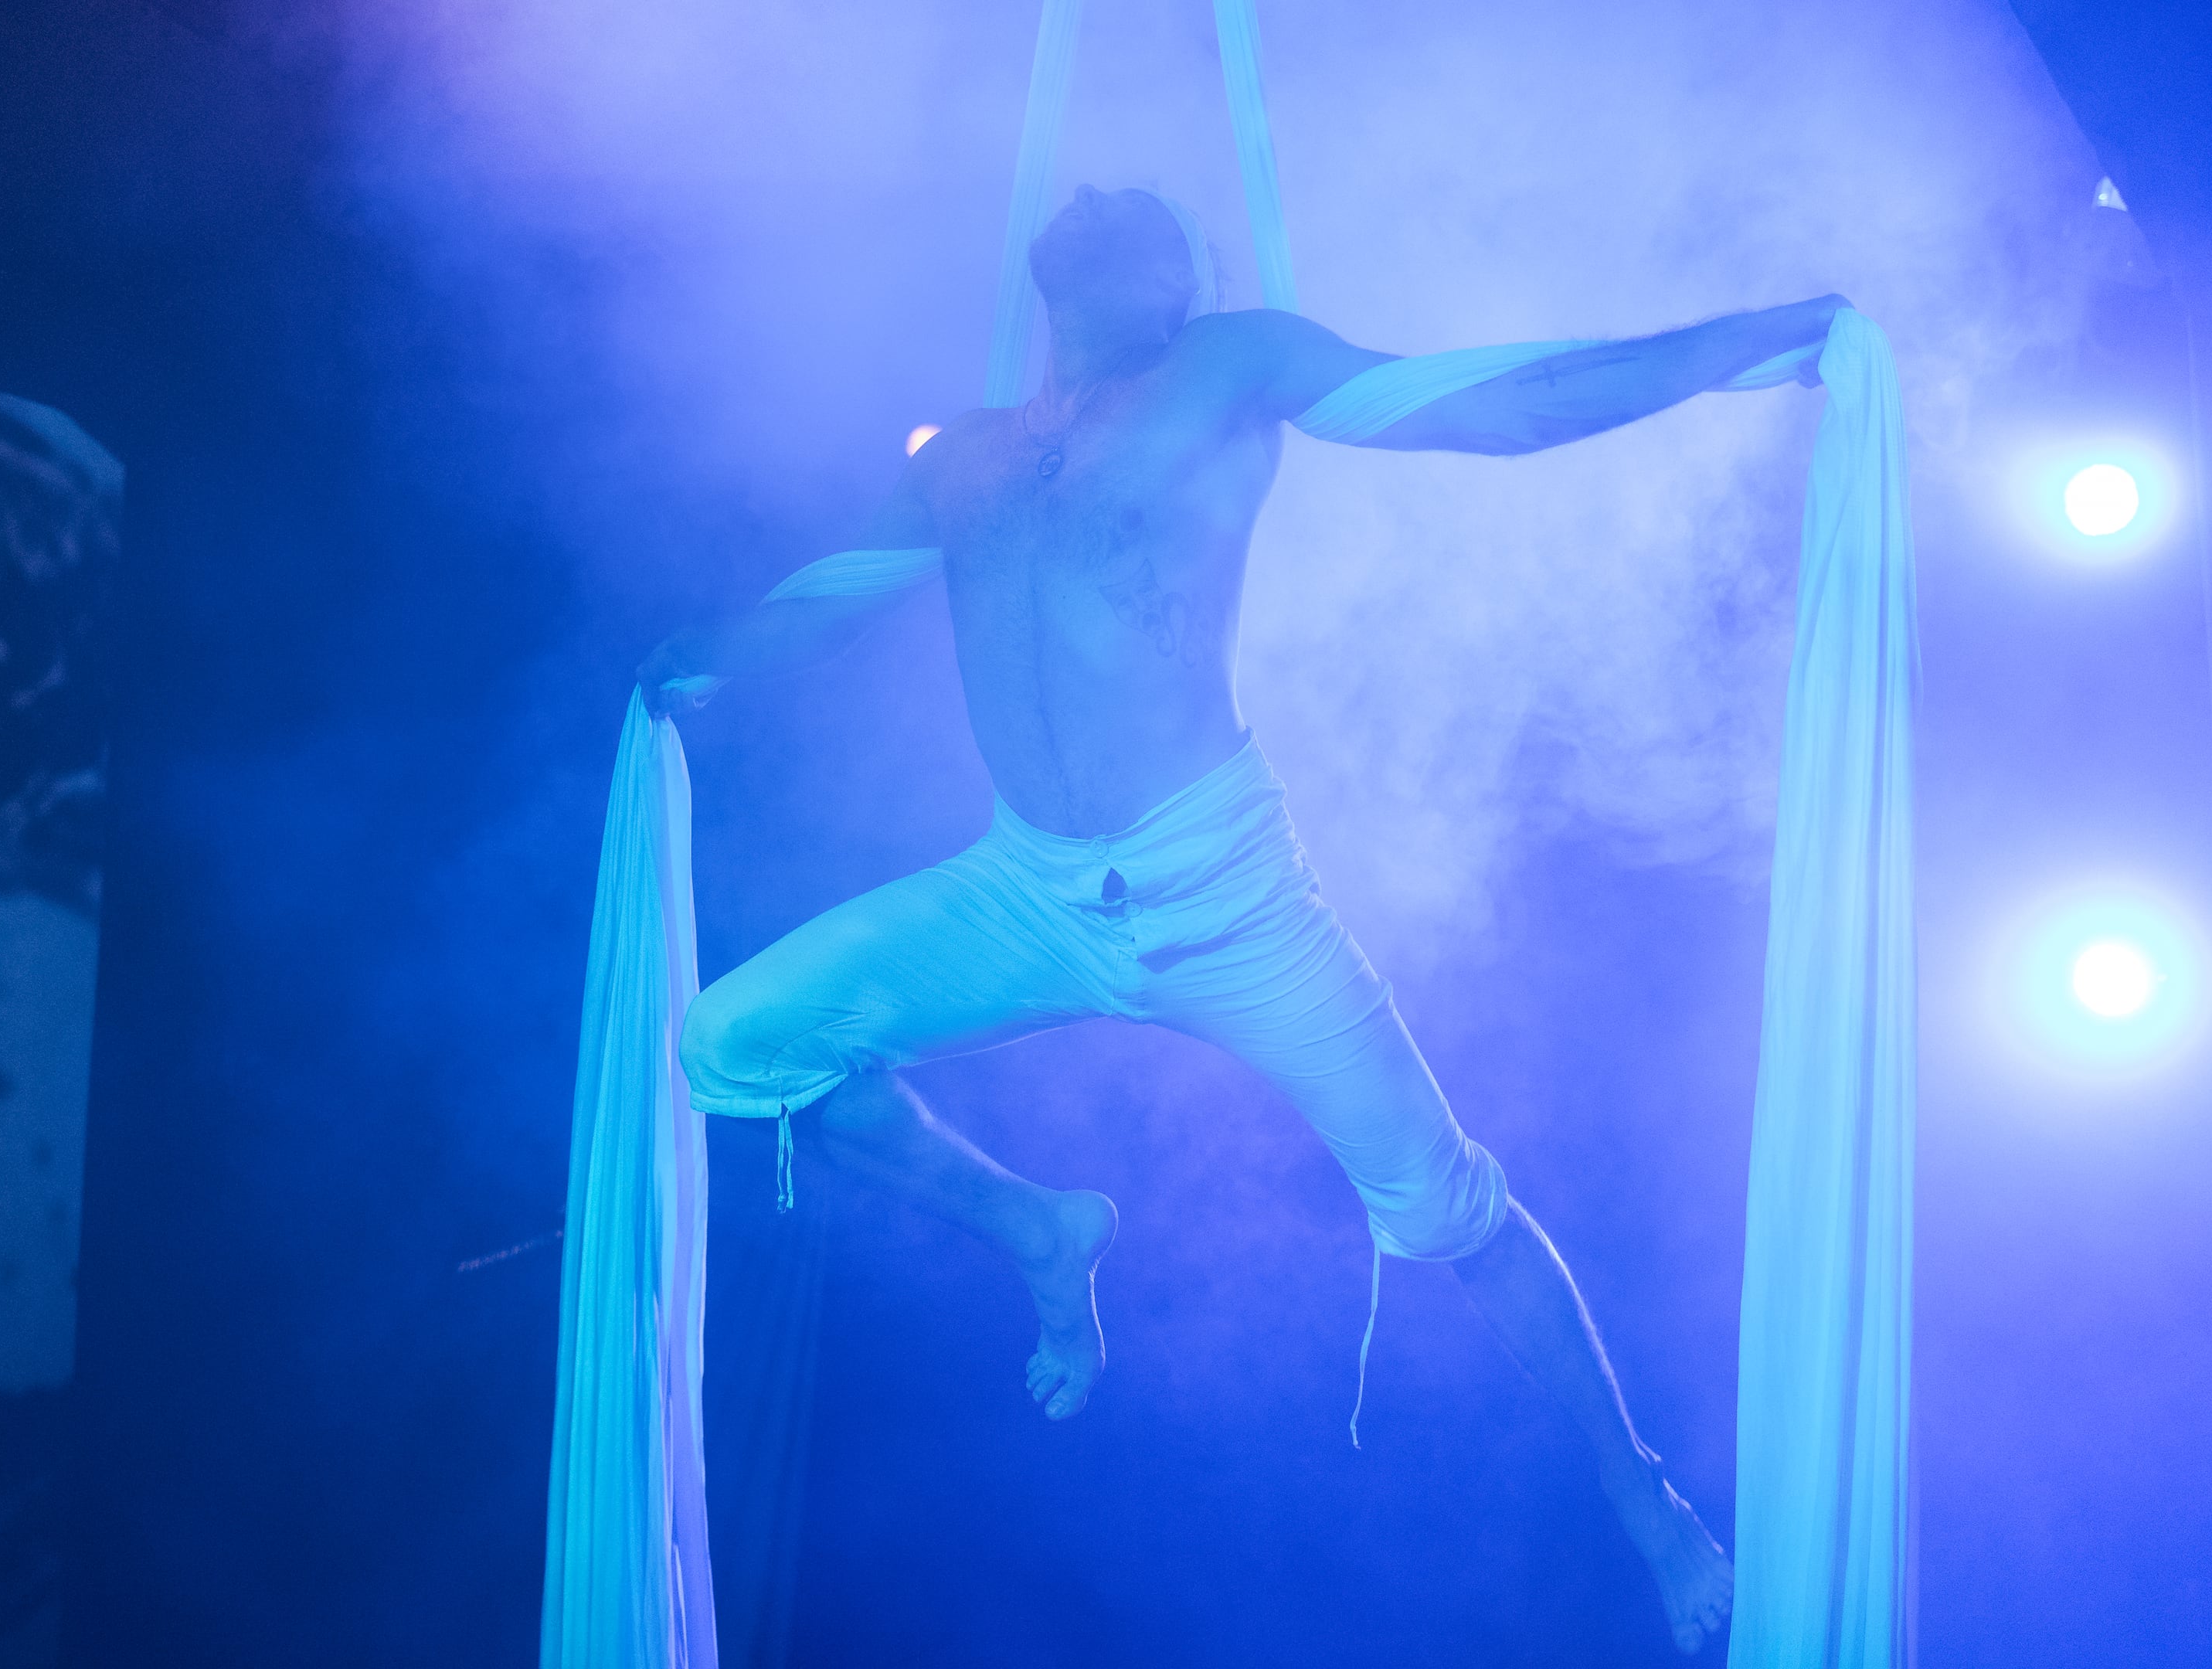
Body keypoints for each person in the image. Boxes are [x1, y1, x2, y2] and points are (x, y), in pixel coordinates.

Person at [640, 181, 1847, 1654]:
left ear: (1183, 278)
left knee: (1446, 1207)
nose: (1099, 195)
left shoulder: (1232, 369)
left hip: (1222, 889)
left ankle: (1649, 1503)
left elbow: (1499, 405)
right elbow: (824, 596)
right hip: (1024, 888)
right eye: (1084, 197)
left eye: (1139, 210)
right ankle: (1035, 1229)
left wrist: (1746, 344)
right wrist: (689, 667)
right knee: (734, 1044)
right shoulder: (958, 456)